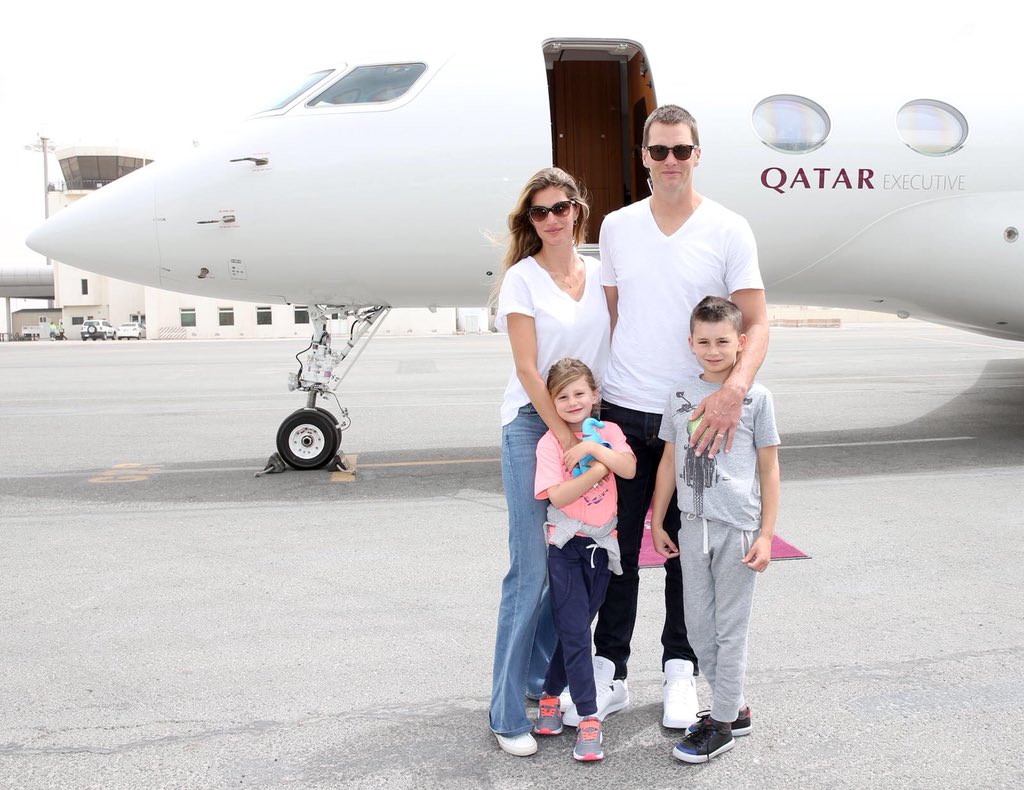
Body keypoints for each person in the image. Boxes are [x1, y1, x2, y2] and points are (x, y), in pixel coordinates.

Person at [582, 104, 770, 729]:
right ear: (643, 156)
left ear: (697, 155)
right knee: (617, 551)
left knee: (687, 556)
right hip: (626, 409)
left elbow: (756, 322)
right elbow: (615, 317)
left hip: (698, 419)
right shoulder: (617, 227)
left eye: (681, 150)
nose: (670, 161)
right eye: (659, 150)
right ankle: (609, 671)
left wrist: (733, 390)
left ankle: (680, 671)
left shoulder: (729, 228)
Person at [489, 168, 611, 757]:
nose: (552, 219)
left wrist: (593, 435)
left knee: (575, 568)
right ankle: (505, 711)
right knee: (532, 569)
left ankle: (540, 684)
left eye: (561, 207)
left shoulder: (601, 272)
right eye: (540, 212)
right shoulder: (522, 279)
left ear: (577, 210)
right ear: (530, 222)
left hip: (585, 428)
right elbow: (527, 368)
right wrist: (565, 437)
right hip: (533, 426)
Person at [649, 296, 780, 763]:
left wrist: (766, 534)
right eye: (703, 342)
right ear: (691, 343)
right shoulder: (679, 396)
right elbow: (669, 460)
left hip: (738, 528)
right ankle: (736, 708)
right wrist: (656, 519)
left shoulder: (757, 398)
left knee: (731, 629)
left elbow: (769, 468)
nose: (713, 350)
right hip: (691, 525)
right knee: (699, 628)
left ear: (740, 342)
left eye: (722, 341)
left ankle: (721, 724)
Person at [532, 358, 636, 762]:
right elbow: (558, 496)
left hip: (601, 549)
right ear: (552, 402)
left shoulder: (609, 432)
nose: (573, 402)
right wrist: (596, 470)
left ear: (594, 394)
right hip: (566, 548)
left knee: (575, 628)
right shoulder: (550, 443)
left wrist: (593, 449)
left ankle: (549, 695)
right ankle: (589, 718)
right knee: (576, 633)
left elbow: (628, 468)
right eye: (562, 396)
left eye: (579, 393)